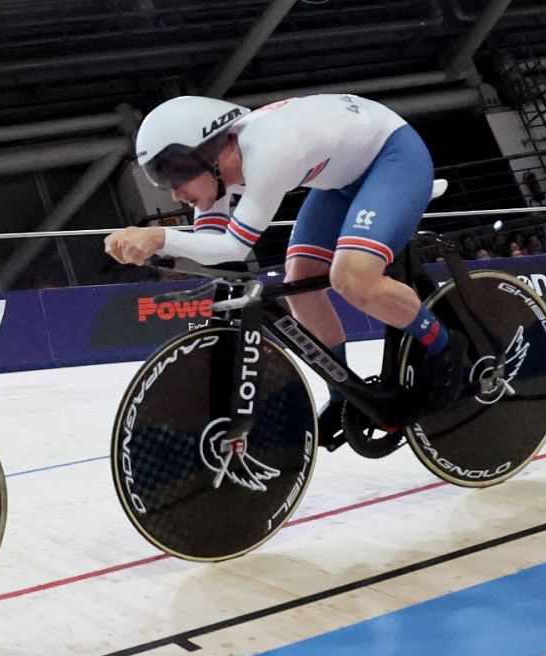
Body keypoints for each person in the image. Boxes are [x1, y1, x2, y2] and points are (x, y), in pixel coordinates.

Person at [106, 94, 468, 449]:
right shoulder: (219, 168)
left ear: (210, 154)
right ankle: (343, 397)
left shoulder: (269, 151)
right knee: (299, 285)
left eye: (175, 177)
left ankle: (446, 347)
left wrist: (158, 237)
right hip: (343, 179)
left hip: (394, 159)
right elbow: (211, 246)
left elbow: (234, 248)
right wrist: (159, 245)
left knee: (352, 277)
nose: (175, 195)